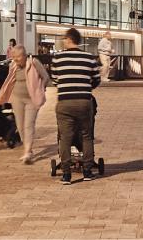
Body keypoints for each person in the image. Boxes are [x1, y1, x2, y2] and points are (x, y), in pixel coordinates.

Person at [49, 26, 101, 185]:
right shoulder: (89, 58)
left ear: (70, 39)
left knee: (65, 137)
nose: (64, 41)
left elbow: (54, 79)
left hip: (64, 102)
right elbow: (96, 79)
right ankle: (87, 170)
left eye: (65, 38)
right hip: (84, 102)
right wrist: (85, 87)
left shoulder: (58, 58)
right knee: (86, 135)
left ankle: (66, 174)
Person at [0, 44, 48, 164]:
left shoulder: (34, 63)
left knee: (28, 124)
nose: (16, 60)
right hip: (17, 98)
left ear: (24, 55)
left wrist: (41, 89)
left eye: (18, 57)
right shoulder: (13, 65)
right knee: (20, 126)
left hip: (32, 99)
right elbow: (10, 79)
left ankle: (27, 151)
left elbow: (45, 77)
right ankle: (28, 148)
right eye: (14, 57)